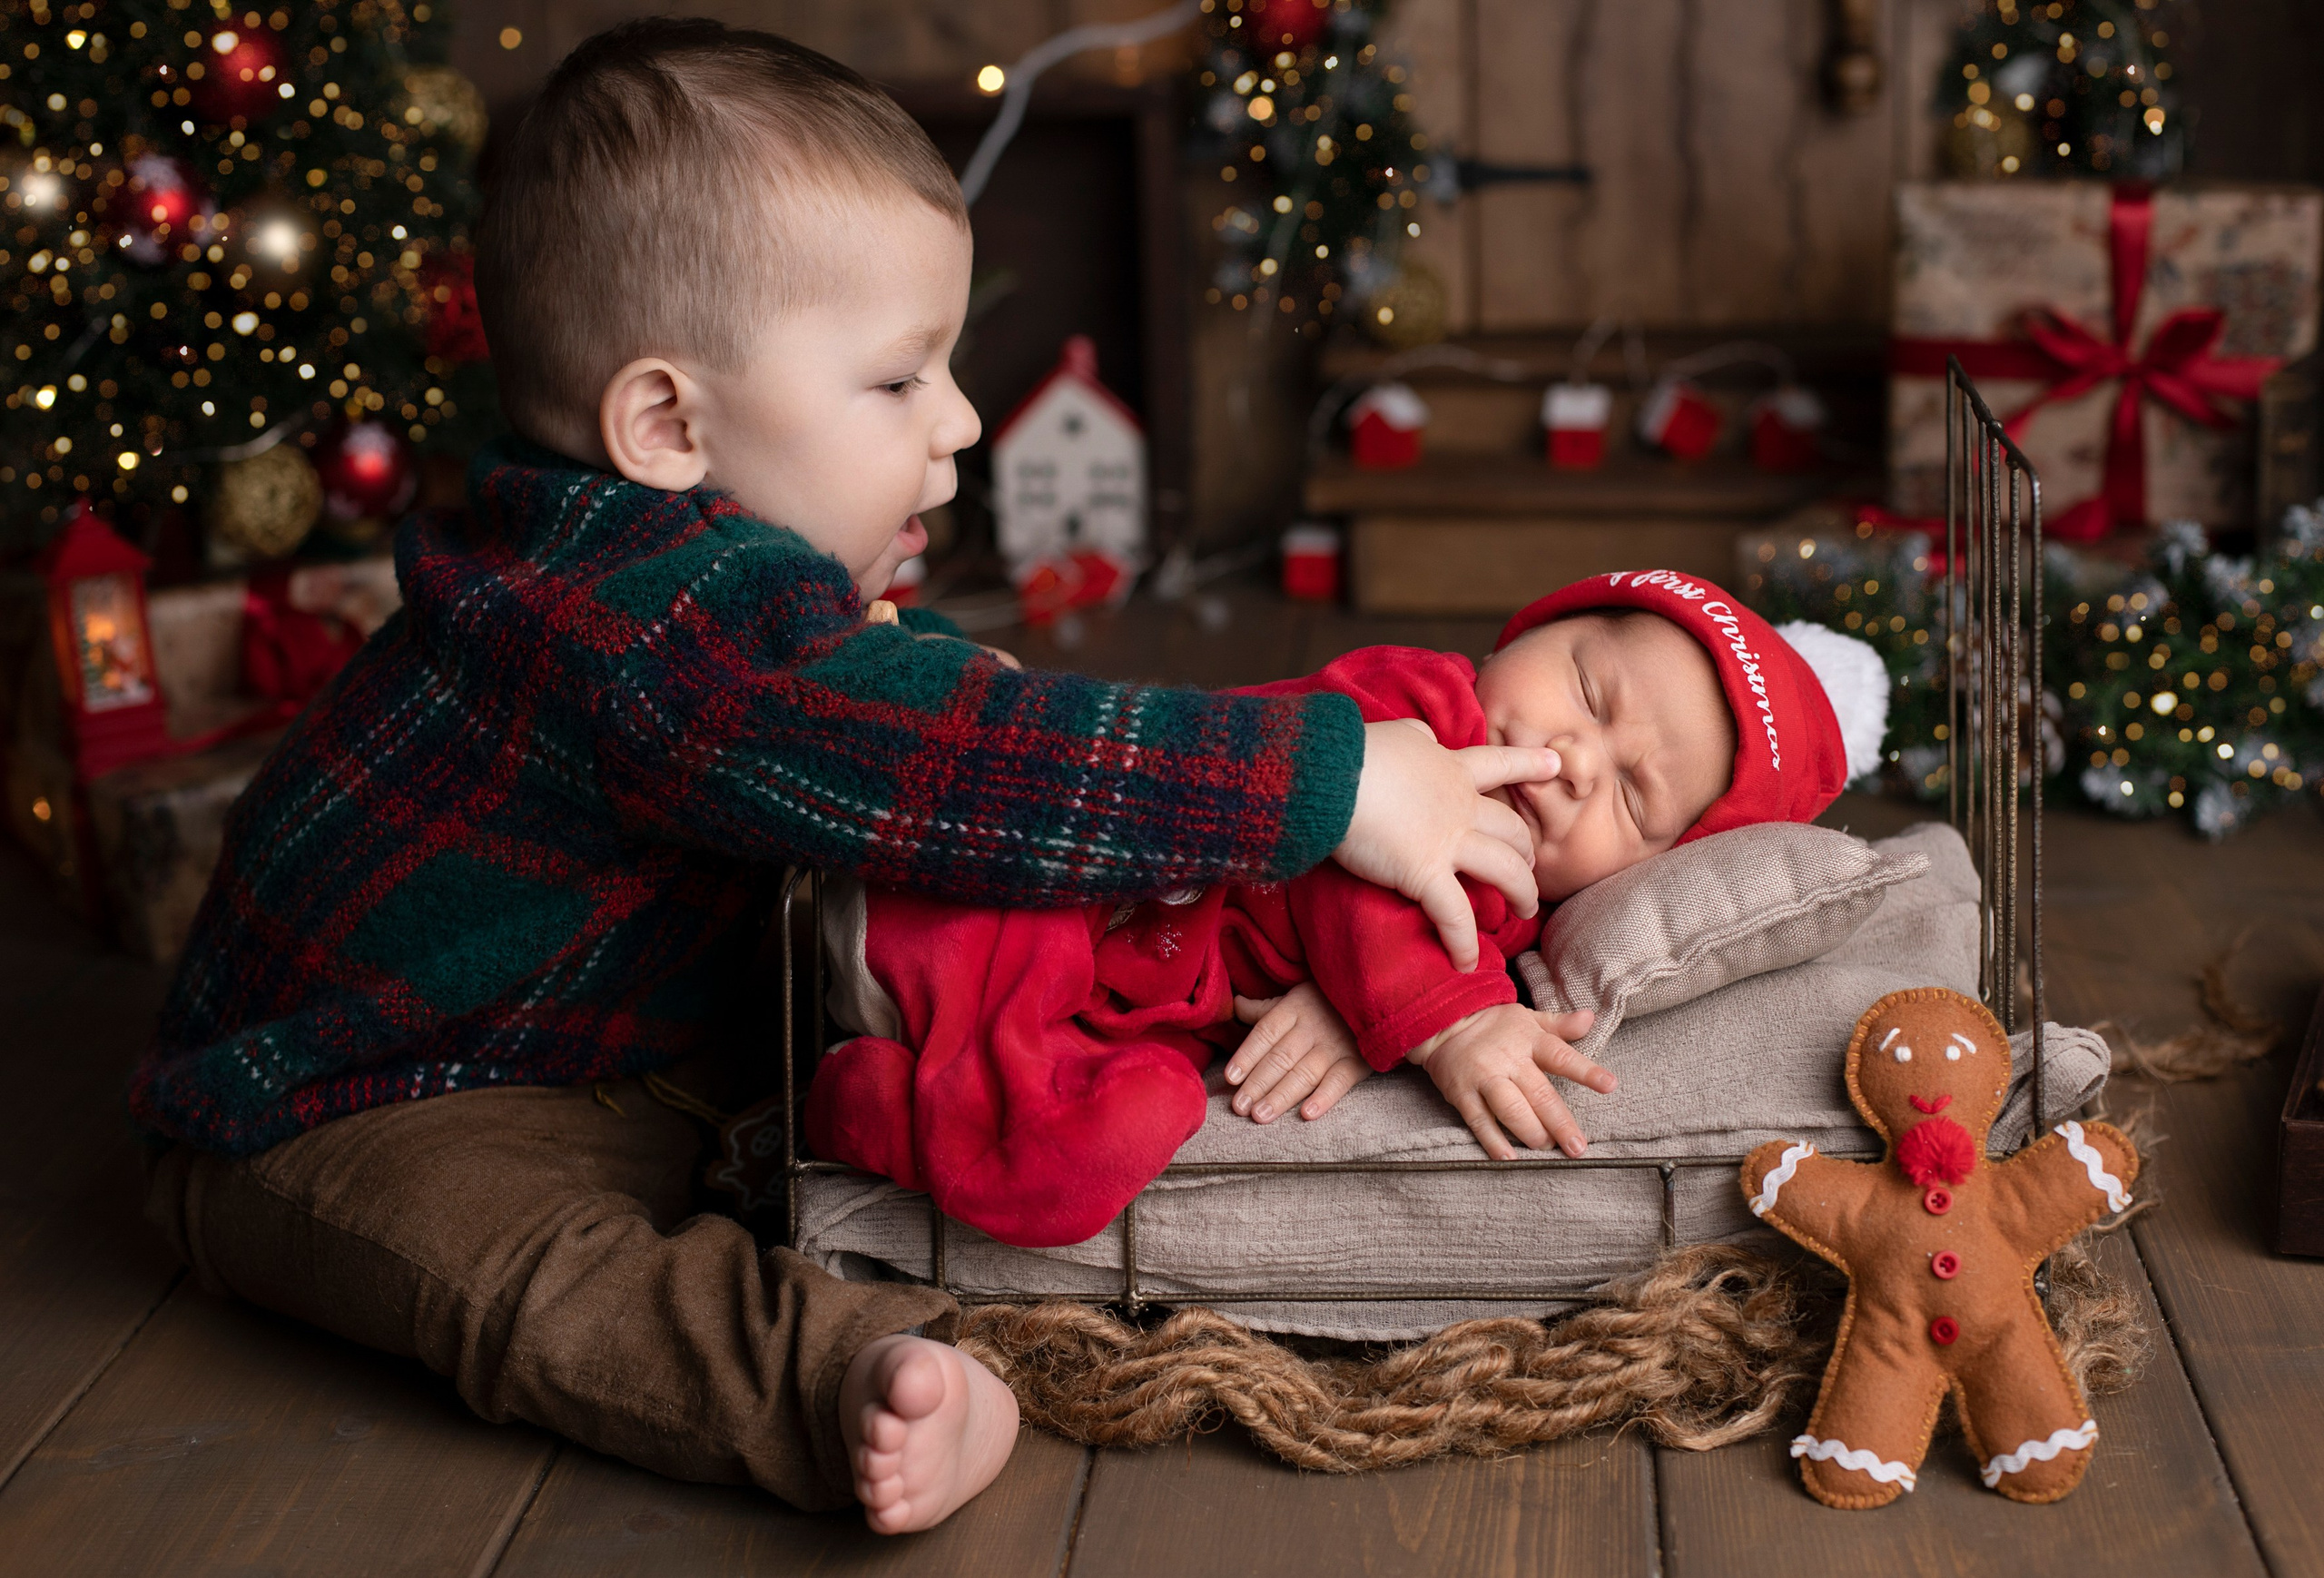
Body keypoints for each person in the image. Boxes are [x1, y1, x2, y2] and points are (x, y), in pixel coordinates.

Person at [128, 20, 1567, 1536]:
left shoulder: (693, 578)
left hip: (611, 1026)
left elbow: (905, 719)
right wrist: (1325, 778)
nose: (958, 423)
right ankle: (846, 1379)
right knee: (533, 1282)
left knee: (892, 976)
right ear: (669, 425)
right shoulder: (647, 629)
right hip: (356, 1101)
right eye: (898, 382)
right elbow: (958, 758)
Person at [805, 569, 1891, 1248]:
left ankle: (882, 1105)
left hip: (1109, 1001)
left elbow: (1422, 943)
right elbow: (1349, 864)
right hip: (1039, 881)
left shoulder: (1513, 909)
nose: (1568, 758)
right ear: (1529, 630)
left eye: (1628, 796)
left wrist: (1360, 1013)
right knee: (1025, 1029)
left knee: (1127, 1123)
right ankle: (910, 1000)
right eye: (1588, 692)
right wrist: (1446, 1021)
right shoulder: (1415, 704)